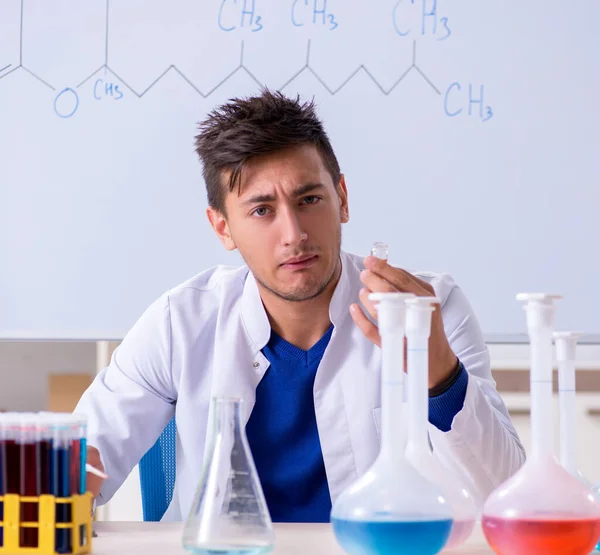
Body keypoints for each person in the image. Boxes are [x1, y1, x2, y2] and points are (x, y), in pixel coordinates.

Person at [76, 89, 525, 523]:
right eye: (261, 210)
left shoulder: (427, 309)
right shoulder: (181, 322)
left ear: (342, 199)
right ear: (222, 228)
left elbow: (503, 498)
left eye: (309, 200)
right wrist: (68, 479)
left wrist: (440, 376)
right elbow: (81, 464)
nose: (294, 233)